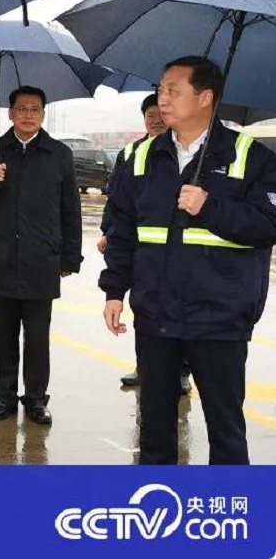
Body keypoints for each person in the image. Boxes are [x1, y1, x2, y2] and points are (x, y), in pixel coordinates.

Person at [101, 55, 276, 464]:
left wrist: (209, 208)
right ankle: (156, 500)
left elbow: (268, 224)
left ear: (205, 97)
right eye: (161, 90)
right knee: (155, 428)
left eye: (173, 91)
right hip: (156, 314)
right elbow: (122, 231)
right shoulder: (139, 157)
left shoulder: (251, 157)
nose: (162, 99)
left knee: (225, 431)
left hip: (220, 316)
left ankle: (228, 502)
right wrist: (114, 291)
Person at [0, 85, 82, 425]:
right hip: (1, 258)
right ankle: (4, 397)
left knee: (37, 337)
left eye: (35, 109)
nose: (28, 115)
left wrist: (70, 257)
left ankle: (36, 399)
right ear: (10, 113)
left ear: (43, 114)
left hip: (41, 259)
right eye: (21, 109)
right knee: (3, 335)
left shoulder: (59, 154)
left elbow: (71, 209)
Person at [98, 93, 192, 394]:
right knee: (146, 312)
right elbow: (116, 201)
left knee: (181, 310)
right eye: (150, 115)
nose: (156, 120)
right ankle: (144, 366)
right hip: (142, 249)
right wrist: (108, 233)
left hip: (179, 251)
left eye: (160, 115)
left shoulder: (187, 153)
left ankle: (182, 372)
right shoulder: (131, 154)